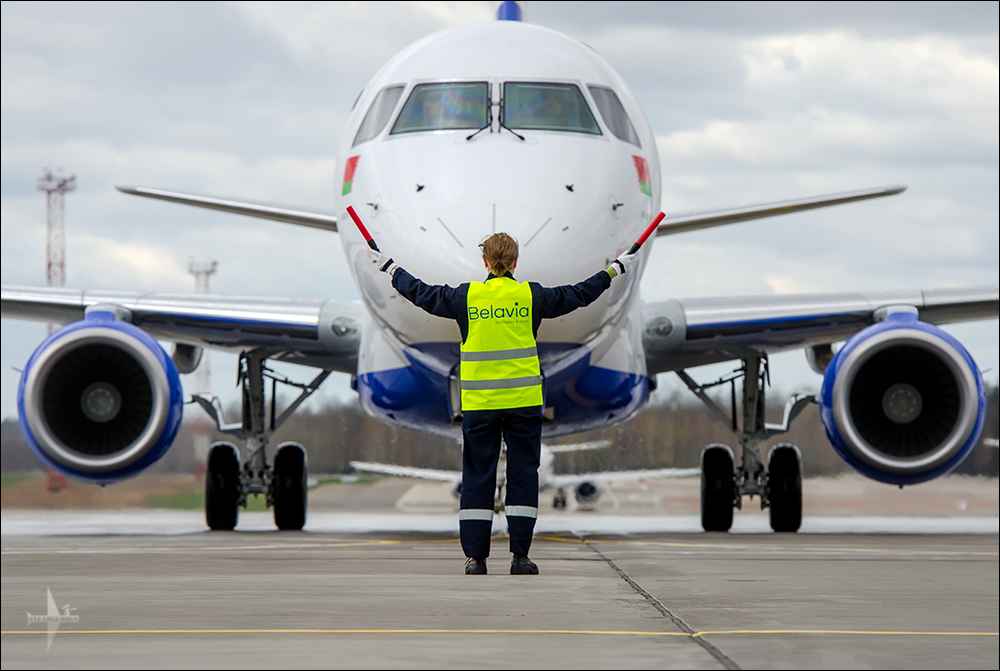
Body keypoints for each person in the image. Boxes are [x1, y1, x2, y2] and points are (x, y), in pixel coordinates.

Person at [369, 233, 636, 575]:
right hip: (524, 403)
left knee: (478, 476)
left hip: (480, 403)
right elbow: (579, 295)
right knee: (523, 476)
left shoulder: (467, 297)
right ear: (515, 262)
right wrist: (614, 271)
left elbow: (422, 294)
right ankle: (520, 557)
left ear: (485, 262)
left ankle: (475, 559)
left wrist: (390, 269)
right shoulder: (530, 296)